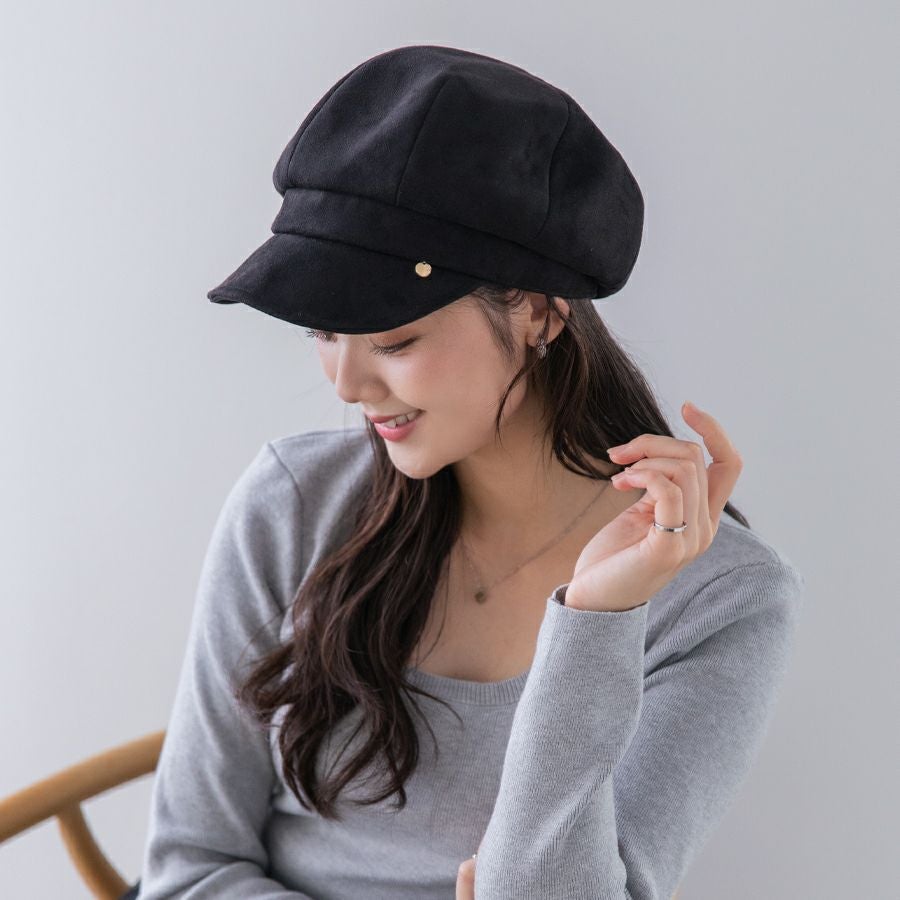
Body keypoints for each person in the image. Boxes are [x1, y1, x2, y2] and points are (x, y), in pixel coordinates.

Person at [133, 45, 806, 900]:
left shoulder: (721, 600)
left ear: (539, 313)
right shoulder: (295, 504)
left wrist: (599, 618)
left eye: (394, 339)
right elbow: (188, 871)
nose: (346, 384)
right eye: (323, 331)